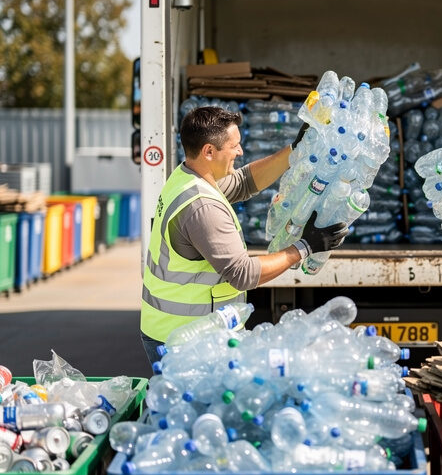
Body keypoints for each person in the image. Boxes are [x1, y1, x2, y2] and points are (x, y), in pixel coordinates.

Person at [140, 106, 348, 365]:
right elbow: (242, 273)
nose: (240, 151)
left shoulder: (188, 176)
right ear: (209, 151)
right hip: (186, 341)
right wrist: (306, 247)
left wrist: (294, 151)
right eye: (234, 146)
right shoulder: (201, 207)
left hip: (174, 331)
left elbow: (244, 182)